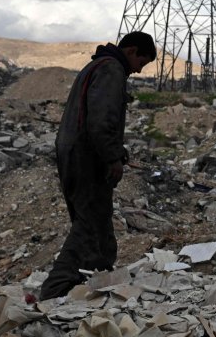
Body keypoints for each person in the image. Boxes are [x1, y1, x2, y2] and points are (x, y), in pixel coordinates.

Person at [38, 31, 156, 300]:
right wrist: (113, 158)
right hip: (87, 158)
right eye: (141, 62)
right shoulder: (112, 70)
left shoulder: (97, 66)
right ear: (131, 51)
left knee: (99, 224)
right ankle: (55, 290)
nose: (139, 70)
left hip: (76, 153)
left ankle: (96, 282)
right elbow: (102, 121)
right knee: (88, 224)